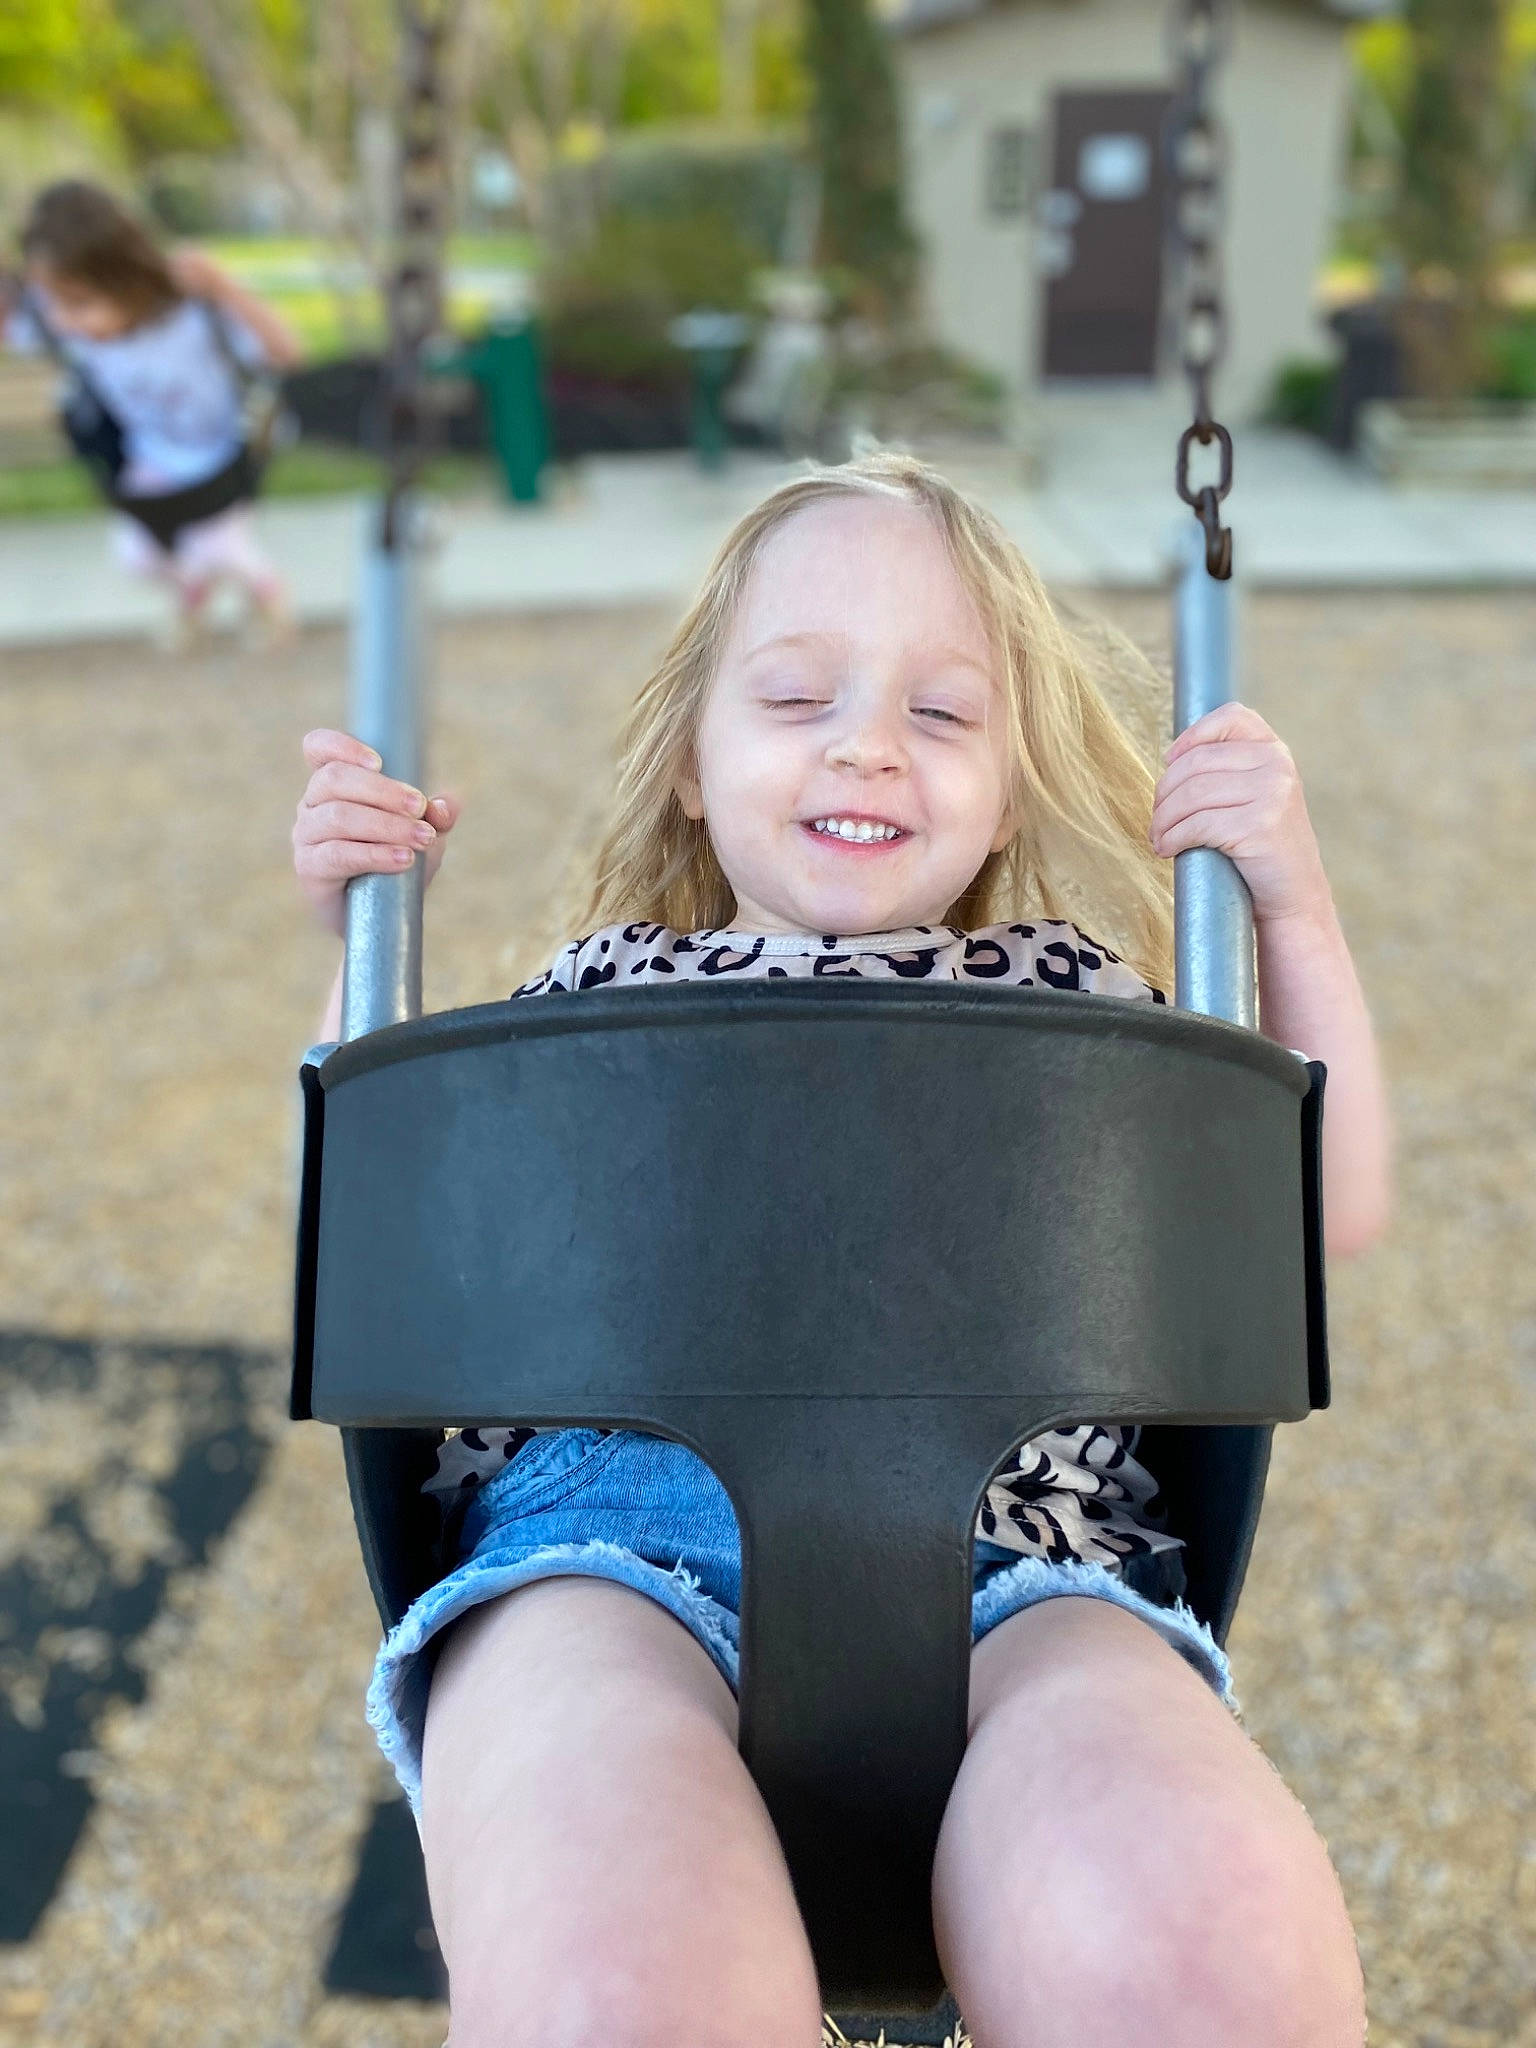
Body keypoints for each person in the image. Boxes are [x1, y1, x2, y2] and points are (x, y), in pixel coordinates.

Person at [292, 454, 1390, 2048]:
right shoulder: (594, 998)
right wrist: (355, 942)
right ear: (690, 762)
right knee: (611, 1985)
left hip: (1030, 1563)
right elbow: (356, 1232)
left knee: (1211, 1959)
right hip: (598, 1557)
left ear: (1007, 787)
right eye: (796, 696)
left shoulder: (1081, 1007)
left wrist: (1294, 910)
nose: (867, 742)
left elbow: (1323, 1207)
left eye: (942, 713)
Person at [5, 180, 303, 648]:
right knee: (138, 558)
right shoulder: (68, 327)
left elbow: (287, 353)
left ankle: (270, 601)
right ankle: (194, 594)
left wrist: (226, 289)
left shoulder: (191, 314)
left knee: (219, 548)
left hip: (224, 454)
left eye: (78, 303)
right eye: (53, 304)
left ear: (126, 279)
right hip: (153, 455)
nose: (62, 320)